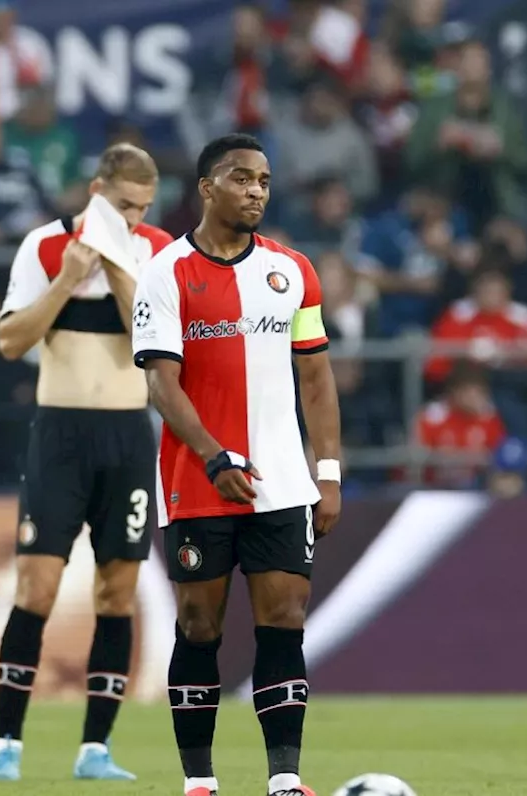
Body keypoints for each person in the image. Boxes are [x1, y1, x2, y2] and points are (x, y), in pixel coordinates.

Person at [130, 133, 342, 796]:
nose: (256, 191)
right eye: (242, 178)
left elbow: (317, 380)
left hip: (280, 482)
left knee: (285, 619)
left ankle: (285, 780)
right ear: (207, 186)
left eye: (265, 181)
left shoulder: (293, 272)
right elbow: (162, 384)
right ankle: (200, 783)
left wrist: (327, 472)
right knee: (199, 626)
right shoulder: (166, 272)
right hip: (198, 479)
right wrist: (213, 453)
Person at [0, 143, 174, 782]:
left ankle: (97, 748)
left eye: (143, 207)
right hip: (60, 435)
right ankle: (6, 742)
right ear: (96, 191)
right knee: (36, 584)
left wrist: (118, 267)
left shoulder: (154, 251)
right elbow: (10, 341)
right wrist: (67, 279)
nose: (134, 216)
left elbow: (151, 340)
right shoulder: (42, 246)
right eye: (123, 205)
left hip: (126, 437)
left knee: (115, 593)